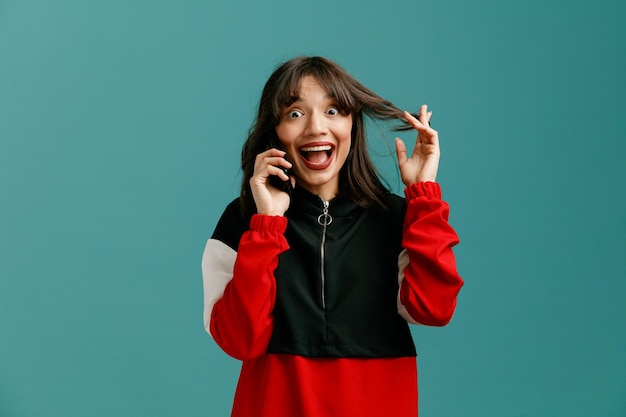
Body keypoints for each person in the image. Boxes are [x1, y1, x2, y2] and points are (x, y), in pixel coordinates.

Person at [201, 56, 463, 417]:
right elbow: (239, 340)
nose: (315, 128)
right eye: (294, 113)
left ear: (352, 124)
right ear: (274, 131)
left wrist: (423, 195)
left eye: (334, 111)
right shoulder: (244, 219)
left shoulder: (396, 218)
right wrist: (266, 226)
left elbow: (434, 309)